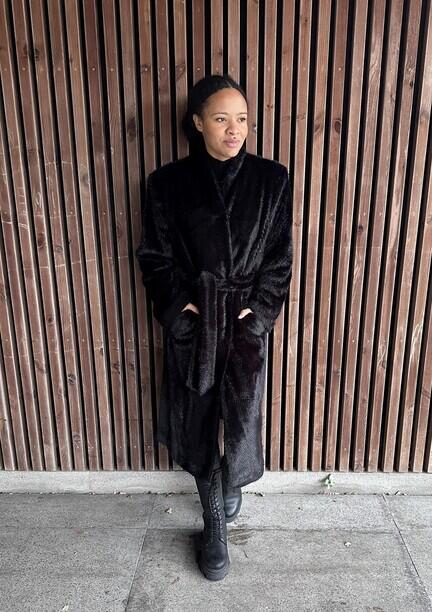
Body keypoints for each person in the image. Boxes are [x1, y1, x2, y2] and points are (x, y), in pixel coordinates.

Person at [135, 74, 293, 581]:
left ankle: (231, 483)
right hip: (196, 321)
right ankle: (213, 524)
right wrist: (181, 312)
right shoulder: (166, 184)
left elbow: (279, 259)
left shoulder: (272, 180)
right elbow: (154, 258)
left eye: (241, 119)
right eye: (222, 118)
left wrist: (259, 313)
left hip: (244, 320)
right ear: (198, 122)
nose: (234, 130)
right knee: (198, 420)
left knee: (241, 418)